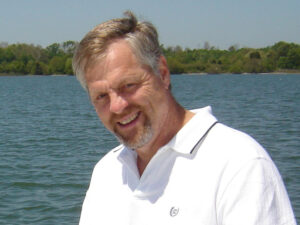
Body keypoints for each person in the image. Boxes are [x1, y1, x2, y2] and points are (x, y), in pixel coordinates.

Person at [72, 11, 296, 225]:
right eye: (101, 96)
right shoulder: (106, 172)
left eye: (128, 85)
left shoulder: (239, 163)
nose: (118, 106)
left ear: (162, 73)